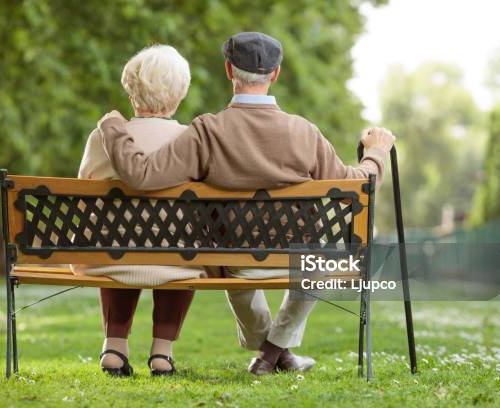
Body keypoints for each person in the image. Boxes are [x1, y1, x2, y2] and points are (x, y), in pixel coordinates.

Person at [97, 32, 396, 375]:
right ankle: (274, 352)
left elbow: (143, 175)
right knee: (318, 260)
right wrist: (376, 152)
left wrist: (114, 129)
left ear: (228, 70)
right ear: (275, 74)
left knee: (235, 250)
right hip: (301, 263)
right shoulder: (304, 133)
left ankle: (271, 353)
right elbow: (360, 185)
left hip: (236, 263)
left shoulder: (206, 131)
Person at [74, 44, 205, 377]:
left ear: (131, 94)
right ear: (180, 94)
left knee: (117, 235)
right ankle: (162, 353)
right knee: (178, 243)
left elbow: (83, 189)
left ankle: (114, 348)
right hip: (176, 261)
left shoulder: (101, 138)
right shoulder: (191, 139)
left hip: (110, 257)